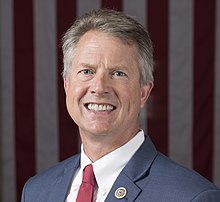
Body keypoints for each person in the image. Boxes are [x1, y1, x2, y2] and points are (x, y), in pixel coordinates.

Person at [21, 9, 220, 202]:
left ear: (143, 92)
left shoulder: (193, 197)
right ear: (67, 85)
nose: (99, 88)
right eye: (87, 71)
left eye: (118, 73)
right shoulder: (36, 191)